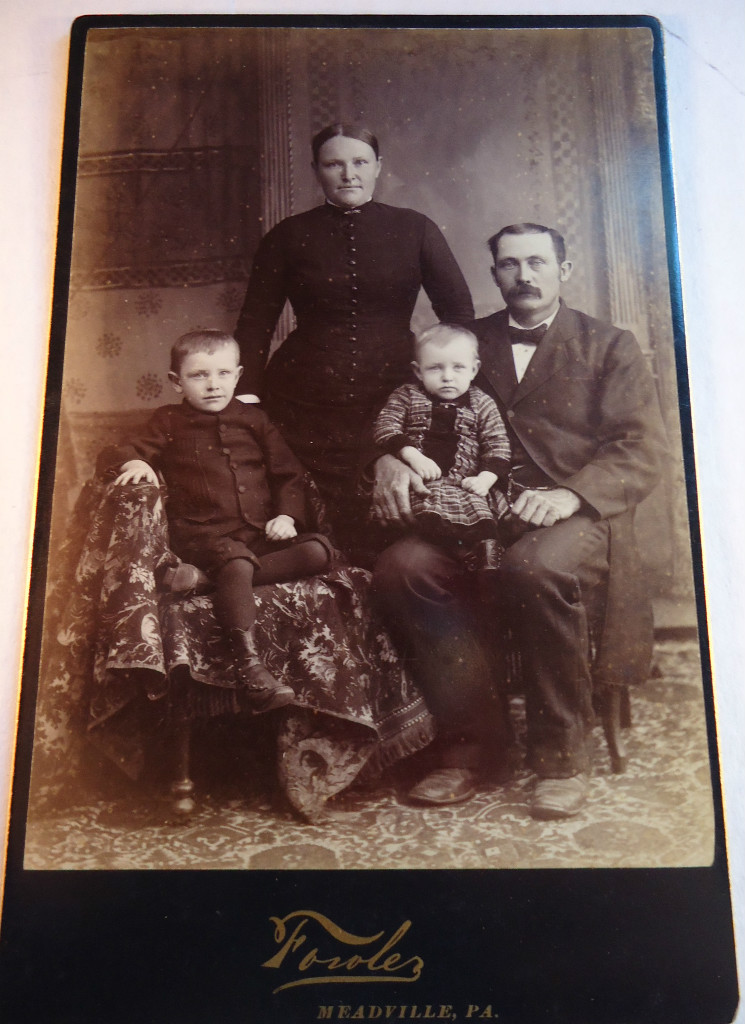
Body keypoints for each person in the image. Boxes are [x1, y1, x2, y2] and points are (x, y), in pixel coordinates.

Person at [372, 223, 667, 819]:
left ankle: (561, 759)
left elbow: (640, 448)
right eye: (509, 264)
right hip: (473, 509)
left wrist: (571, 497)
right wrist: (386, 458)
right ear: (495, 274)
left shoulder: (610, 345)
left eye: (537, 262)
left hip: (574, 515)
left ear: (564, 269)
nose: (524, 275)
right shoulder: (463, 342)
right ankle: (471, 747)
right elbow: (403, 411)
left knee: (534, 568)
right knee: (404, 567)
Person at [234, 123, 474, 560]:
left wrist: (450, 377)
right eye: (334, 164)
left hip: (393, 393)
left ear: (378, 167)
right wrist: (246, 398)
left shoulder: (415, 228)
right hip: (303, 403)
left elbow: (459, 315)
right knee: (309, 520)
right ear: (316, 170)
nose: (348, 174)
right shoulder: (287, 236)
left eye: (360, 162)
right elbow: (255, 324)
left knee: (393, 519)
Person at [97, 330, 332, 713]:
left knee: (318, 551)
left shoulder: (254, 419)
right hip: (204, 536)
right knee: (236, 564)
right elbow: (116, 450)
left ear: (237, 376)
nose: (213, 385)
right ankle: (251, 669)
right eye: (199, 375)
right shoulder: (168, 421)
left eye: (223, 374)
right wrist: (135, 461)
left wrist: (287, 516)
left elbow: (287, 473)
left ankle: (206, 582)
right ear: (177, 382)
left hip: (257, 534)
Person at [373, 323, 511, 575]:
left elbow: (498, 446)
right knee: (414, 520)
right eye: (435, 368)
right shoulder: (406, 396)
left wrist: (485, 479)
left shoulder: (482, 403)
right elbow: (386, 428)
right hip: (421, 483)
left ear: (474, 369)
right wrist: (412, 455)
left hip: (463, 486)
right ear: (418, 371)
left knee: (476, 514)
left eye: (458, 367)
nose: (447, 376)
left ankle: (480, 555)